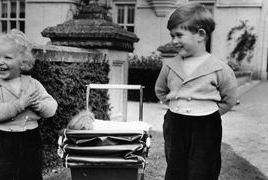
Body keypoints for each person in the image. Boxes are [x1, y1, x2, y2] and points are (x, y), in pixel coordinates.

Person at [155, 3, 237, 180]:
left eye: (179, 35)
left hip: (206, 126)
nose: (174, 41)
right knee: (175, 168)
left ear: (200, 35)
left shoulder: (219, 68)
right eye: (172, 36)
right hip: (175, 122)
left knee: (204, 168)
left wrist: (209, 113)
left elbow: (229, 98)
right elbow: (160, 90)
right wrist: (177, 106)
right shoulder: (170, 65)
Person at [0, 29, 58, 180]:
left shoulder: (33, 84)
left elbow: (51, 107)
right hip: (2, 141)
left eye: (7, 57)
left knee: (30, 174)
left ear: (23, 62)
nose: (0, 62)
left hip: (30, 139)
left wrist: (38, 106)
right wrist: (19, 104)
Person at [67, 110, 151, 131]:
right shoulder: (85, 125)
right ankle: (141, 125)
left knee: (122, 126)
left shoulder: (84, 122)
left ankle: (141, 125)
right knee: (123, 127)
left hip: (93, 124)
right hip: (94, 125)